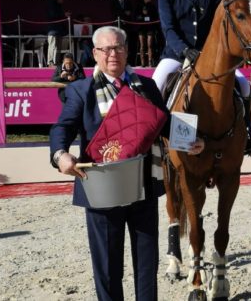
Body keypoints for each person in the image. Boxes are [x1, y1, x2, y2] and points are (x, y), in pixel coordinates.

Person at [49, 26, 205, 301]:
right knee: (108, 267)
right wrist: (60, 155)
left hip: (141, 186)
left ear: (127, 50)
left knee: (147, 263)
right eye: (106, 49)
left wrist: (193, 140)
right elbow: (62, 127)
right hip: (101, 190)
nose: (113, 54)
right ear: (95, 53)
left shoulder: (146, 86)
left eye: (118, 47)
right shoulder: (80, 90)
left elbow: (164, 123)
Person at [153, 0, 251, 154]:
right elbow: (168, 28)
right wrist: (184, 50)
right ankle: (153, 140)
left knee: (243, 85)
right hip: (176, 55)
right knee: (155, 85)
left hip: (208, 55)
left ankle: (247, 135)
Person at [111, 0, 135, 64]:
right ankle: (118, 59)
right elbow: (114, 12)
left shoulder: (128, 2)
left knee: (126, 43)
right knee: (117, 42)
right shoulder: (113, 2)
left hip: (126, 26)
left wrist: (124, 13)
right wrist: (124, 12)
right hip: (117, 26)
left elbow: (130, 12)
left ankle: (126, 60)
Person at [47, 0, 70, 67]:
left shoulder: (59, 5)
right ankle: (50, 63)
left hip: (59, 30)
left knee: (58, 48)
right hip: (52, 30)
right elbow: (52, 14)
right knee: (53, 47)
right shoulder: (51, 4)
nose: (62, 0)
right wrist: (64, 14)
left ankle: (56, 63)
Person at [135, 0, 159, 67]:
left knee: (150, 45)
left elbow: (155, 17)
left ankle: (150, 61)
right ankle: (142, 62)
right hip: (141, 28)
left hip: (150, 27)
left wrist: (149, 17)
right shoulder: (139, 6)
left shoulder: (152, 6)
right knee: (142, 45)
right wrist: (143, 16)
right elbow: (136, 17)